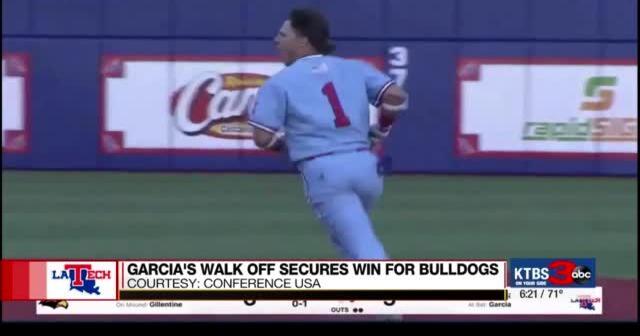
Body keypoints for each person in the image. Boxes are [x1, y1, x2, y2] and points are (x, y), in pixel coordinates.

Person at [248, 8, 408, 260]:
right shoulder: (354, 68)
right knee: (346, 240)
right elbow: (396, 96)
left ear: (303, 39)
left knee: (365, 249)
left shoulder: (278, 83)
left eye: (283, 34)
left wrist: (285, 143)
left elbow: (262, 138)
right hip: (366, 168)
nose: (276, 40)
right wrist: (384, 128)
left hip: (325, 171)